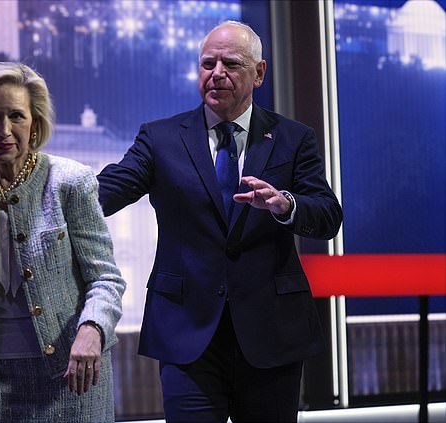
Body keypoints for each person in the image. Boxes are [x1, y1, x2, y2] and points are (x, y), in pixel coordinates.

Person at [97, 21, 343, 422]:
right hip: (187, 333)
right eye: (207, 63)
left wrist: (285, 204)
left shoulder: (292, 138)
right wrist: (44, 184)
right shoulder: (160, 139)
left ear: (259, 73)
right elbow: (105, 193)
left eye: (230, 63)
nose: (216, 73)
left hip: (271, 333)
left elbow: (328, 216)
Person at [0, 62, 125, 423]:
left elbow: (106, 279)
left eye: (17, 116)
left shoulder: (70, 182)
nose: (5, 130)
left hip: (70, 374)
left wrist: (92, 329)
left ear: (35, 123)